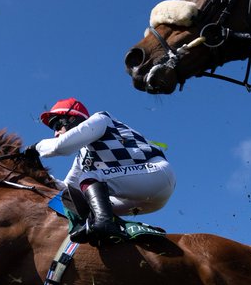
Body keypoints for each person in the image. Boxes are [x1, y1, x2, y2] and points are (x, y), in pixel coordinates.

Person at [27, 97, 175, 245]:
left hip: (158, 174)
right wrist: (39, 177)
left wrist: (35, 148)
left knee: (90, 178)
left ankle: (105, 225)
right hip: (143, 201)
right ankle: (117, 234)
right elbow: (68, 188)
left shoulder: (101, 119)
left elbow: (60, 146)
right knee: (75, 198)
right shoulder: (83, 156)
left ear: (72, 119)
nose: (56, 133)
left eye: (57, 125)